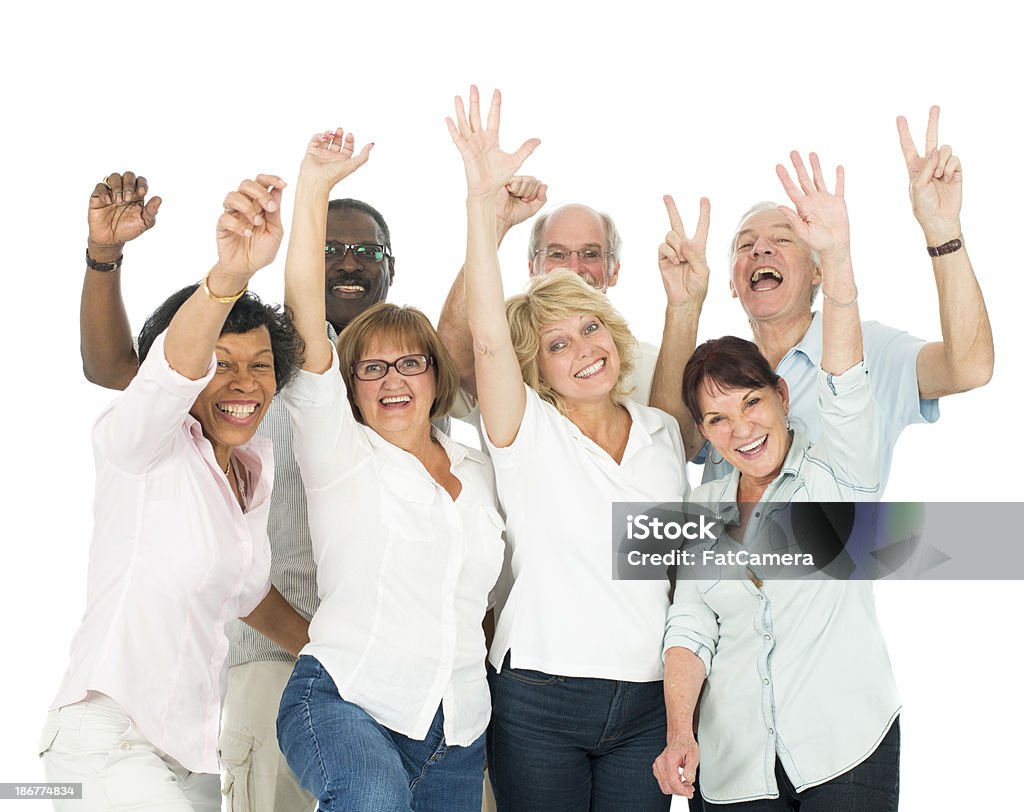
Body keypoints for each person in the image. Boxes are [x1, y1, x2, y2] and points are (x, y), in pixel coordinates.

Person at [78, 171, 400, 811]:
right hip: (243, 675)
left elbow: (249, 588)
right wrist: (107, 259)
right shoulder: (187, 417)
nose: (347, 261)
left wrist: (349, 656)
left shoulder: (405, 364)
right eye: (328, 245)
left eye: (366, 251)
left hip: (365, 660)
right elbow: (126, 370)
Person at [447, 85, 689, 811]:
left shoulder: (662, 433)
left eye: (589, 328)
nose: (582, 348)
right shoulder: (524, 432)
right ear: (537, 368)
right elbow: (487, 336)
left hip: (648, 702)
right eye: (557, 343)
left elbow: (672, 560)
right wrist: (480, 207)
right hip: (539, 697)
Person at [41, 174, 308, 811]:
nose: (243, 383)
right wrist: (229, 275)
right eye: (219, 364)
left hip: (189, 754)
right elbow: (167, 374)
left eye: (259, 364)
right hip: (104, 739)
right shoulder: (143, 444)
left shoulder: (251, 471)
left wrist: (349, 657)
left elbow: (252, 596)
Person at [653, 153, 900, 809]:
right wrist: (680, 733)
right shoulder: (702, 512)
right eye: (718, 418)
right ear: (705, 433)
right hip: (737, 768)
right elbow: (689, 629)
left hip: (845, 748)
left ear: (783, 394)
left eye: (752, 403)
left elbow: (846, 382)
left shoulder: (838, 470)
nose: (742, 428)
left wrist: (838, 258)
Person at [274, 127, 505, 812]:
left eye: (411, 361)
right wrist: (314, 182)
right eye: (372, 367)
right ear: (352, 387)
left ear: (436, 376)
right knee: (370, 800)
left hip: (457, 729)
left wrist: (485, 209)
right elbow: (305, 320)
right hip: (346, 699)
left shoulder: (478, 467)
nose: (393, 378)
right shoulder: (339, 452)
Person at [652, 106, 994, 489]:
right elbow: (669, 448)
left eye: (782, 238)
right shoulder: (720, 376)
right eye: (745, 244)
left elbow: (969, 368)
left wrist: (942, 228)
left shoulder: (869, 352)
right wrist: (683, 307)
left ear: (817, 270)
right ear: (732, 283)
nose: (760, 249)